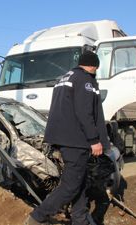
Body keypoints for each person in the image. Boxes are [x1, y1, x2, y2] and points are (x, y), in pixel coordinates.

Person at [25, 51, 110, 225]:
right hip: (76, 140)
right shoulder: (85, 80)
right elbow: (85, 112)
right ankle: (37, 217)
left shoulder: (64, 78)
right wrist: (94, 140)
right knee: (70, 185)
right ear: (94, 66)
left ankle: (80, 219)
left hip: (64, 138)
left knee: (79, 182)